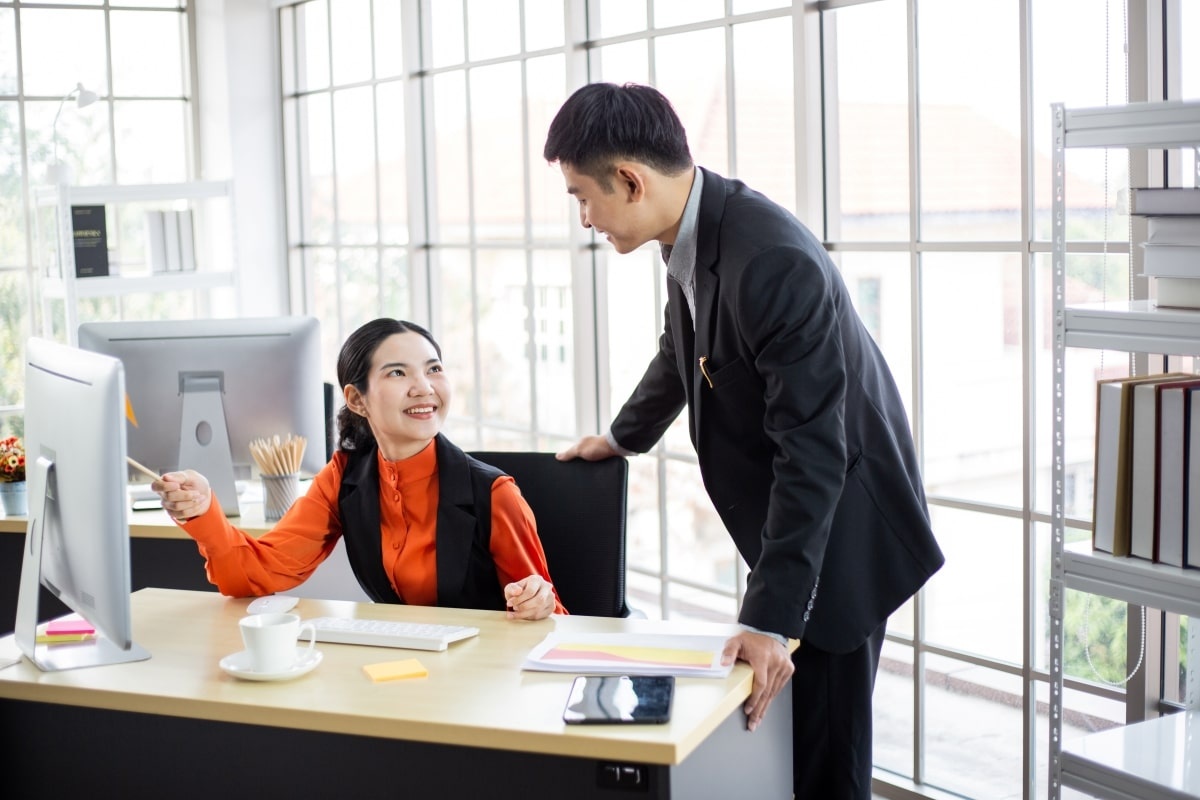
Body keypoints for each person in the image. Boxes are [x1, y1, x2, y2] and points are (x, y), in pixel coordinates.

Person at [545, 82, 944, 797]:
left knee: (827, 761)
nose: (584, 218)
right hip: (794, 520)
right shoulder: (695, 228)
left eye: (583, 196)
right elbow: (682, 351)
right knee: (792, 749)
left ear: (631, 181)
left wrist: (769, 618)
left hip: (842, 535)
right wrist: (620, 438)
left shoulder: (771, 261)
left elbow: (815, 453)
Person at [152, 318, 564, 620]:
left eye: (433, 368)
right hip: (402, 670)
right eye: (398, 372)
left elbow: (555, 619)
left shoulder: (495, 495)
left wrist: (538, 602)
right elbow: (256, 573)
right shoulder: (345, 476)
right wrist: (203, 509)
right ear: (357, 399)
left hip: (484, 682)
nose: (424, 386)